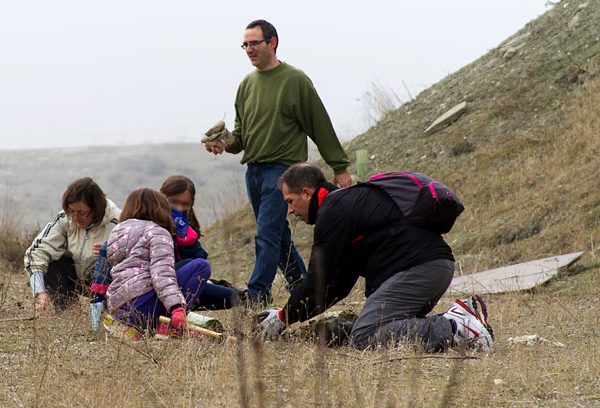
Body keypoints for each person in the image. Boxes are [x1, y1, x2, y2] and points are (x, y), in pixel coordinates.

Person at [254, 163, 493, 351]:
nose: (290, 211)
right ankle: (465, 315)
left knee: (364, 336)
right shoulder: (347, 207)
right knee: (384, 329)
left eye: (290, 202)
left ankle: (457, 326)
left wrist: (283, 318)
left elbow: (317, 280)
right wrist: (290, 314)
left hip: (418, 269)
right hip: (435, 268)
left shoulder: (333, 210)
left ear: (306, 193)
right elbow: (335, 286)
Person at [204, 19, 351, 305]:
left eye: (254, 43)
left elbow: (319, 125)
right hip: (254, 172)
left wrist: (340, 167)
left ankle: (258, 294)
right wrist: (224, 142)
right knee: (279, 236)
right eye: (245, 44)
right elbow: (241, 138)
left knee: (267, 234)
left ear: (272, 42)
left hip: (283, 172)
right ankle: (304, 287)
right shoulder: (246, 84)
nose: (248, 49)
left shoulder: (295, 80)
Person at [104, 188, 211, 339]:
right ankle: (170, 326)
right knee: (200, 266)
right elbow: (161, 273)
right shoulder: (157, 232)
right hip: (143, 310)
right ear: (160, 208)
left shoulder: (117, 231)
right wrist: (177, 307)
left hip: (120, 312)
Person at [24, 177, 120, 311]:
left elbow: (137, 260)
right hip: (77, 278)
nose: (75, 217)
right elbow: (37, 252)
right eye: (71, 211)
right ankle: (67, 312)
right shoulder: (66, 218)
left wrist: (112, 251)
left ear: (96, 209)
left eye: (81, 213)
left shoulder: (118, 222)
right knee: (52, 262)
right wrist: (40, 291)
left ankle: (111, 314)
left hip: (108, 284)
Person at [161, 175, 239, 310]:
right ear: (162, 199)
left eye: (185, 204)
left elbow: (200, 260)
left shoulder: (186, 227)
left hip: (185, 282)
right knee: (187, 265)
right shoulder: (154, 225)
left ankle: (189, 305)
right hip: (161, 283)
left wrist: (186, 239)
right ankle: (176, 310)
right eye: (173, 202)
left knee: (232, 297)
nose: (179, 208)